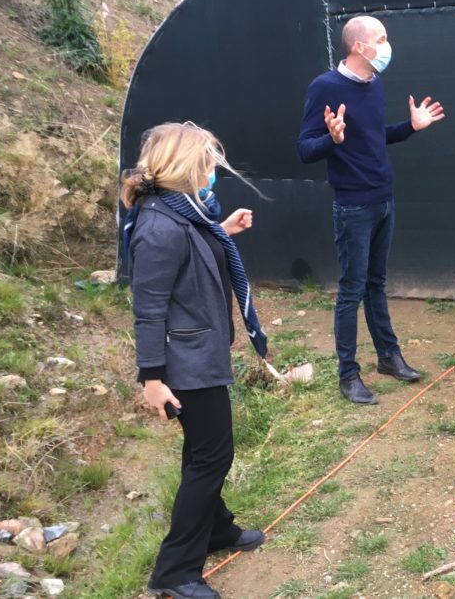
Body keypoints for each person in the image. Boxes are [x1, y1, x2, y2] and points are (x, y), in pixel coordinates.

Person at [121, 122, 270, 599]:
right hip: (184, 360)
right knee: (212, 455)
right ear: (186, 164)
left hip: (198, 350)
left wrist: (222, 232)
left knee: (203, 452)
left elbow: (192, 257)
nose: (213, 171)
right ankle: (175, 571)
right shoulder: (159, 226)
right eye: (208, 162)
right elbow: (148, 307)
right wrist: (152, 378)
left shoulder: (183, 213)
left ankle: (217, 530)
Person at [297, 15, 445, 405]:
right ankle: (348, 375)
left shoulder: (374, 84)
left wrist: (411, 126)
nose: (387, 44)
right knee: (352, 290)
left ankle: (388, 358)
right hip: (353, 205)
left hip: (384, 199)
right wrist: (331, 138)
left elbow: (375, 138)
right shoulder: (325, 87)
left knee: (377, 284)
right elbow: (304, 149)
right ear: (359, 47)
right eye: (381, 38)